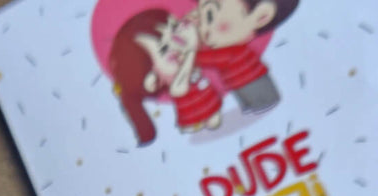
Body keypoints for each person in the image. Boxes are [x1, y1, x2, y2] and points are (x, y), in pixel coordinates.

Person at [110, 8, 222, 145]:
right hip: (195, 123)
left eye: (175, 32)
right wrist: (191, 50)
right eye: (164, 49)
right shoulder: (179, 81)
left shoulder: (189, 59)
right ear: (151, 79)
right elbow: (181, 86)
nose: (176, 45)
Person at [194, 0, 300, 113]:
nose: (203, 30)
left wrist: (190, 56)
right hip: (239, 82)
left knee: (257, 94)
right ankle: (253, 105)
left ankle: (262, 104)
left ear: (261, 16)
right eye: (200, 20)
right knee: (246, 94)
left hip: (250, 80)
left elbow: (211, 59)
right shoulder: (230, 48)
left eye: (210, 16)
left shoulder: (232, 52)